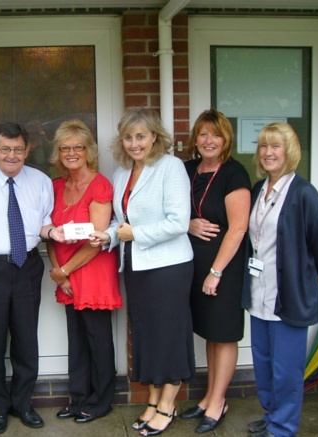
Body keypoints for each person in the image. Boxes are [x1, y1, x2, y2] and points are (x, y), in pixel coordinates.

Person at [91, 108, 195, 437]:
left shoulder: (171, 167)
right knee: (146, 335)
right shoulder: (123, 174)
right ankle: (152, 400)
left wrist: (135, 234)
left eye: (141, 136)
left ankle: (168, 403)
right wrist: (107, 236)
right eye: (128, 137)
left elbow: (179, 222)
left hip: (168, 268)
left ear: (154, 138)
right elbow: (119, 223)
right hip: (136, 267)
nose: (134, 143)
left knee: (167, 335)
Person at [0, 121, 67, 435]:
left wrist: (53, 232)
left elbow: (43, 224)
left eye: (18, 149)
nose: (12, 155)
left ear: (27, 149)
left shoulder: (41, 181)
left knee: (25, 339)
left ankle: (23, 403)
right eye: (5, 149)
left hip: (27, 267)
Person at [244, 122, 318, 437]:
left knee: (286, 370)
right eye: (264, 146)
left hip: (289, 296)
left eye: (276, 146)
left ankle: (283, 427)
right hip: (258, 292)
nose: (268, 152)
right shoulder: (258, 189)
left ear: (289, 151)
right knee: (264, 365)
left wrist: (308, 271)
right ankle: (272, 415)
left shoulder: (303, 193)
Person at [46, 120, 123, 424]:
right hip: (64, 273)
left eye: (78, 147)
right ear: (58, 152)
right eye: (65, 147)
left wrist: (64, 269)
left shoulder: (100, 185)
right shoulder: (55, 186)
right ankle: (78, 398)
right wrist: (59, 271)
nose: (72, 152)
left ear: (89, 151)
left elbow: (97, 239)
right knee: (76, 340)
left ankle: (101, 400)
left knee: (97, 339)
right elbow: (49, 233)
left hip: (92, 271)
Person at [180, 109, 251, 434]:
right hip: (193, 264)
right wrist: (188, 224)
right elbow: (173, 211)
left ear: (226, 140)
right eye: (203, 134)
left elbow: (237, 229)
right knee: (210, 332)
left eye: (216, 135)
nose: (208, 141)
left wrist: (216, 272)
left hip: (224, 266)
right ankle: (209, 397)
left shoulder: (234, 174)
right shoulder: (188, 169)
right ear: (196, 138)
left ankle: (219, 402)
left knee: (223, 333)